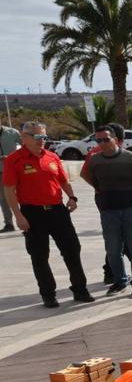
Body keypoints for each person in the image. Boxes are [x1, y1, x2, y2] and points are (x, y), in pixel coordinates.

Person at [2, 121, 93, 307]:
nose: (41, 141)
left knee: (72, 250)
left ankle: (80, 289)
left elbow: (63, 180)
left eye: (43, 137)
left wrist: (72, 197)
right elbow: (9, 190)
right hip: (32, 213)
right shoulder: (14, 159)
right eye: (36, 137)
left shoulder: (52, 157)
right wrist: (18, 216)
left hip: (58, 211)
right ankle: (48, 294)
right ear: (24, 138)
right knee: (39, 255)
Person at [80, 123, 132, 298]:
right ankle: (120, 281)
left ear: (116, 140)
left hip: (131, 210)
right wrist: (102, 192)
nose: (102, 143)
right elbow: (88, 177)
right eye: (99, 140)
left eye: (106, 139)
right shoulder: (95, 160)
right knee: (112, 250)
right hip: (108, 211)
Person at [0, 123, 21, 231]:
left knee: (22, 195)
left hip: (16, 170)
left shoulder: (13, 133)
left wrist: (13, 157)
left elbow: (26, 146)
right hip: (1, 172)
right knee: (3, 199)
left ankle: (29, 220)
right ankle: (9, 224)